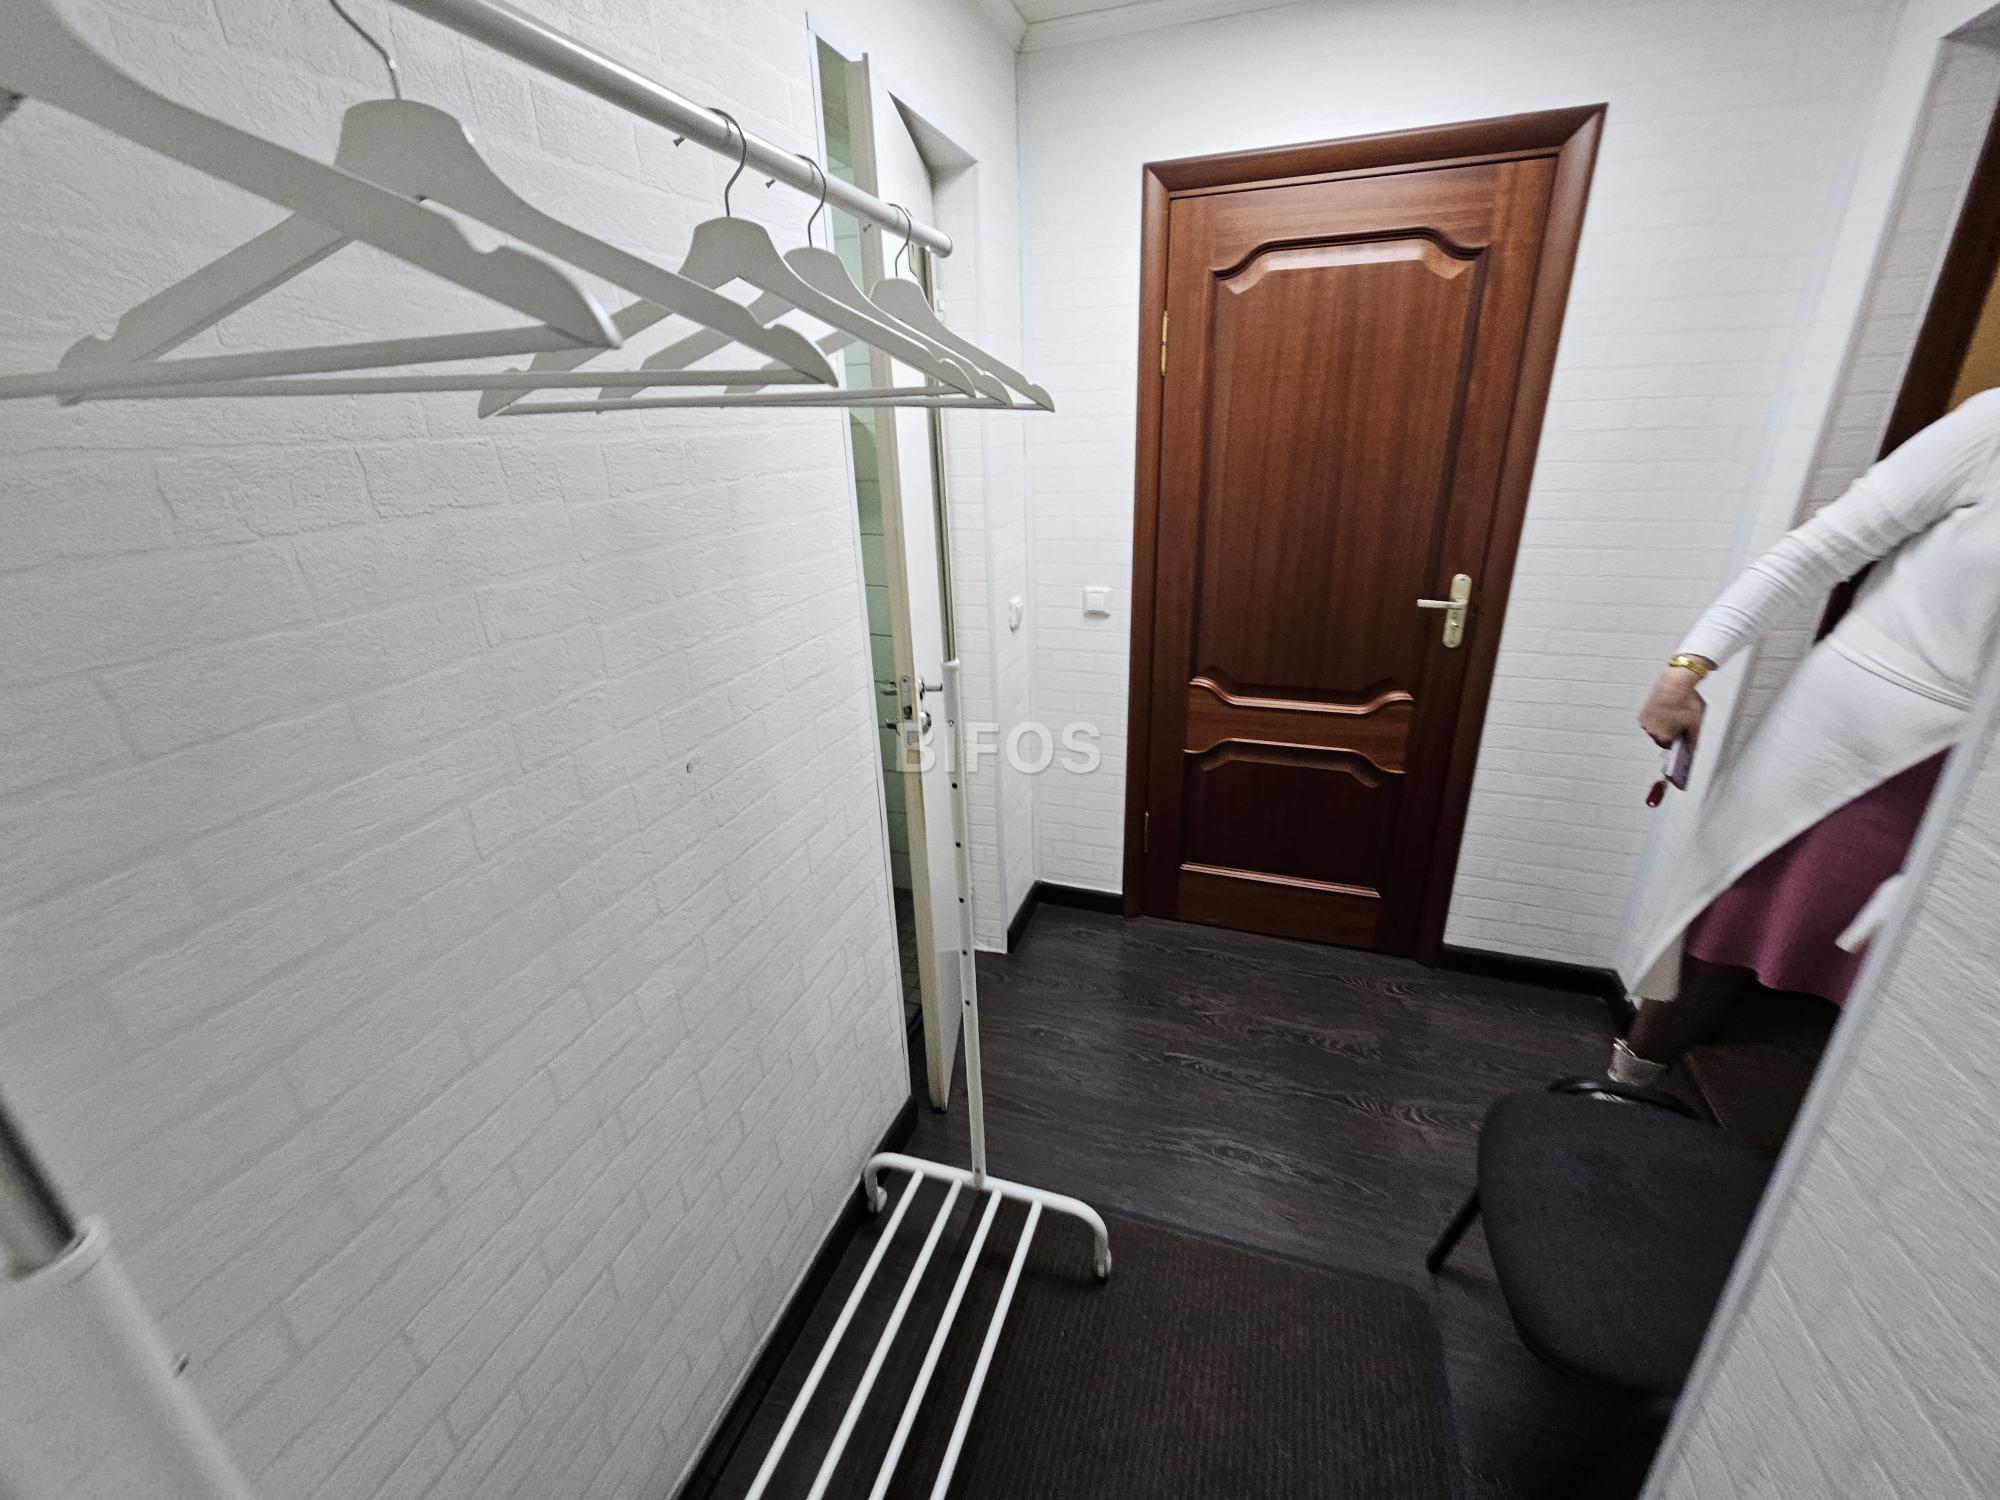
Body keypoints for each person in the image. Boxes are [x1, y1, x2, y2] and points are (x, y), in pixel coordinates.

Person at [1613, 388, 2000, 1084]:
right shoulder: (1993, 426)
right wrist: (1686, 670)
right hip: (1852, 730)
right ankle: (1630, 1083)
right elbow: (1818, 550)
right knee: (1739, 911)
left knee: (1910, 966)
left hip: (1979, 777)